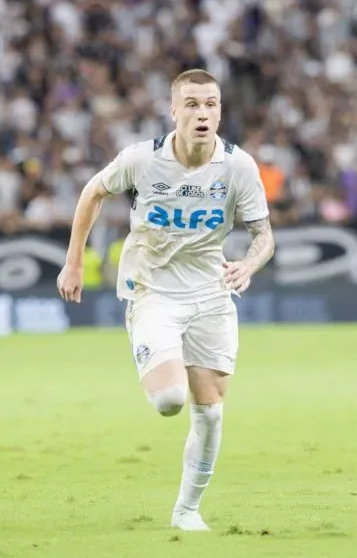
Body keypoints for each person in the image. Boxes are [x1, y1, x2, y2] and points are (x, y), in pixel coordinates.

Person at [57, 69, 274, 532]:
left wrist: (249, 265)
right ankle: (147, 343)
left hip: (211, 295)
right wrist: (73, 262)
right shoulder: (141, 159)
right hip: (153, 292)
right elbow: (92, 192)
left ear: (220, 110)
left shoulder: (239, 167)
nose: (202, 113)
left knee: (211, 414)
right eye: (192, 104)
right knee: (170, 400)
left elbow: (263, 235)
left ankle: (187, 511)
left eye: (211, 104)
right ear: (173, 111)